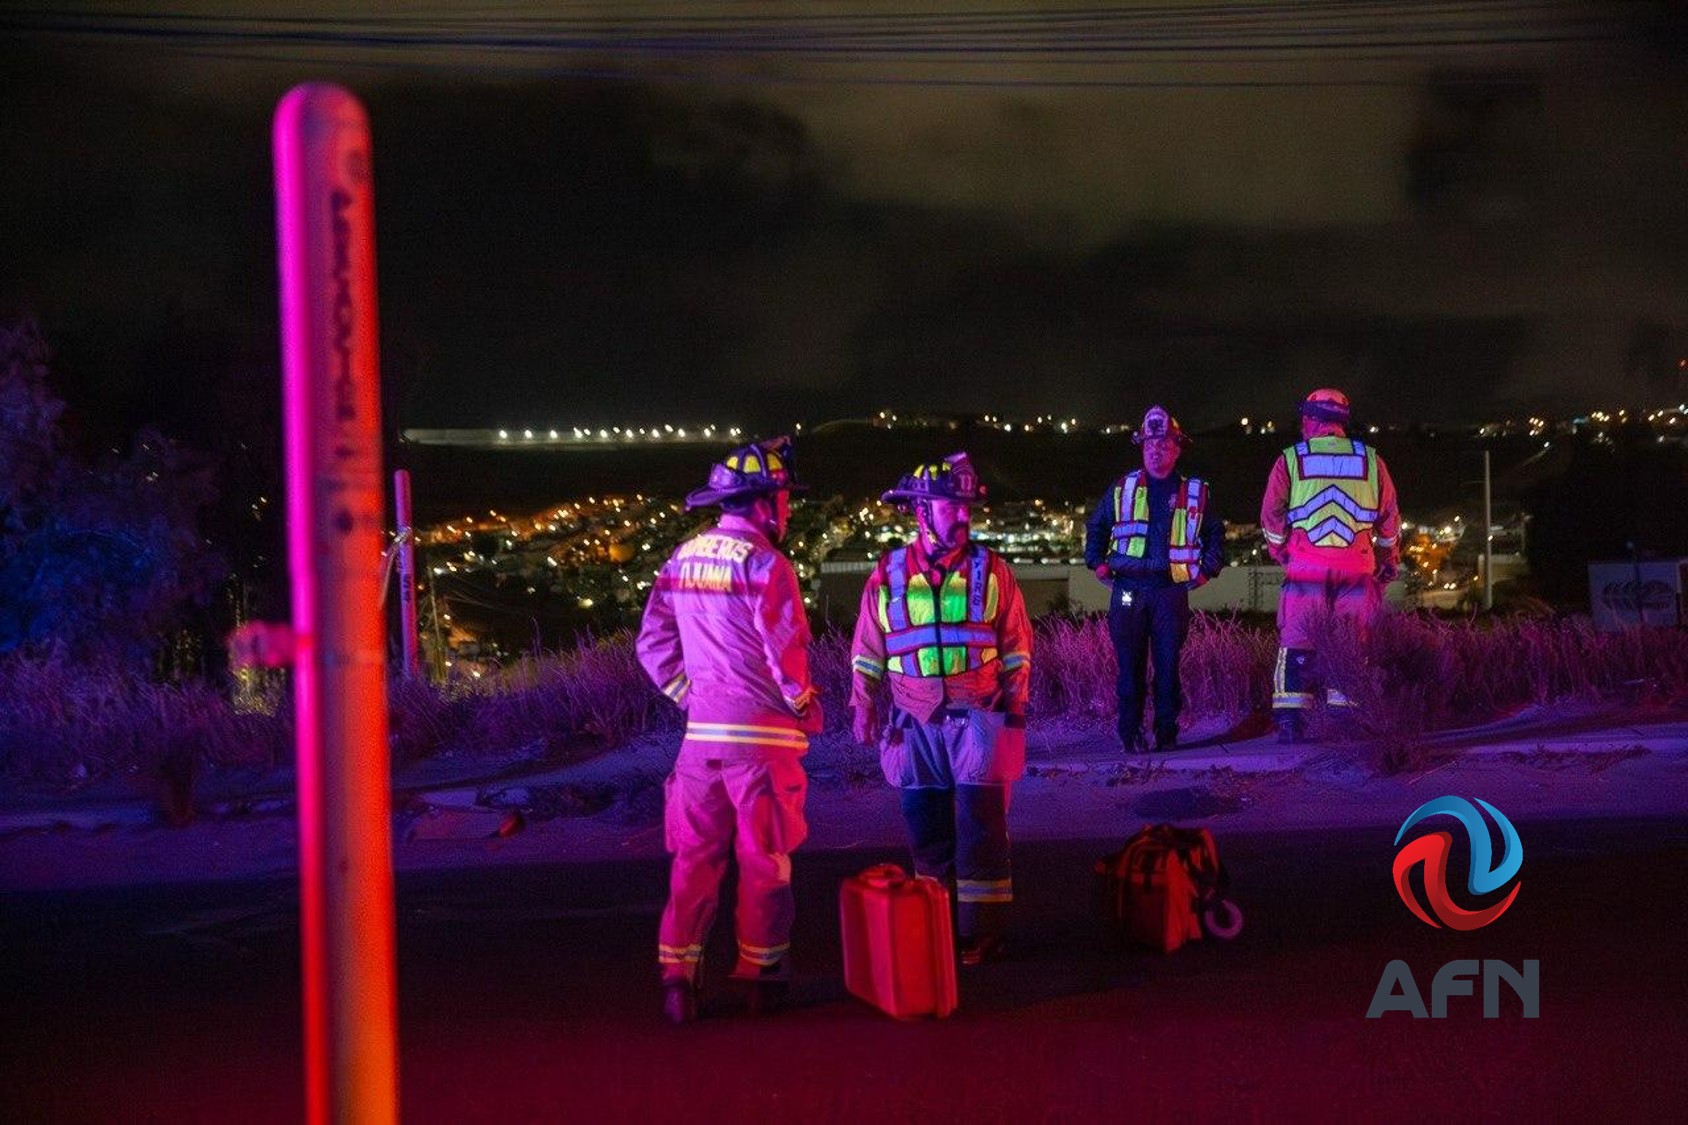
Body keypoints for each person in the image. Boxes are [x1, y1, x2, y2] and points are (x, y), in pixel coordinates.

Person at [636, 436, 822, 1024]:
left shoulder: (681, 558)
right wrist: (803, 703)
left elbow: (653, 643)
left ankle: (677, 977)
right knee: (765, 861)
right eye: (785, 499)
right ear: (765, 503)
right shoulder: (767, 562)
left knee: (693, 862)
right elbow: (783, 648)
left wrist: (692, 697)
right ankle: (760, 976)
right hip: (762, 748)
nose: (787, 510)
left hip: (699, 745)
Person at [849, 453, 1032, 965]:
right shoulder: (886, 575)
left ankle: (982, 932)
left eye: (967, 507)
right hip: (915, 723)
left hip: (979, 717)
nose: (964, 515)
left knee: (982, 830)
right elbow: (868, 650)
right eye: (952, 505)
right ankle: (934, 925)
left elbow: (1017, 646)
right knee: (925, 829)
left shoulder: (993, 571)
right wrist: (862, 705)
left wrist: (1015, 705)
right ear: (921, 511)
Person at [1260, 388, 1401, 743]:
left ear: (1310, 419)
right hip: (1356, 571)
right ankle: (1347, 725)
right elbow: (1389, 524)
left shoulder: (1291, 459)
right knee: (1351, 645)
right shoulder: (1373, 461)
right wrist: (1387, 561)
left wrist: (1282, 553)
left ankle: (1292, 725)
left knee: (1297, 642)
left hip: (1306, 569)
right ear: (1342, 422)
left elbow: (1272, 516)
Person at [1084, 405, 1226, 752]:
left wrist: (1207, 571)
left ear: (1178, 449)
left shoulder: (1194, 492)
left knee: (1167, 670)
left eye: (1163, 444)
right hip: (1129, 589)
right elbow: (1096, 527)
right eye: (1149, 444)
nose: (1155, 449)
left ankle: (1166, 736)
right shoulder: (1123, 488)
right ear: (1141, 447)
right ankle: (1129, 735)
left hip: (1170, 592)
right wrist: (1098, 566)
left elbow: (1216, 535)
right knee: (1129, 671)